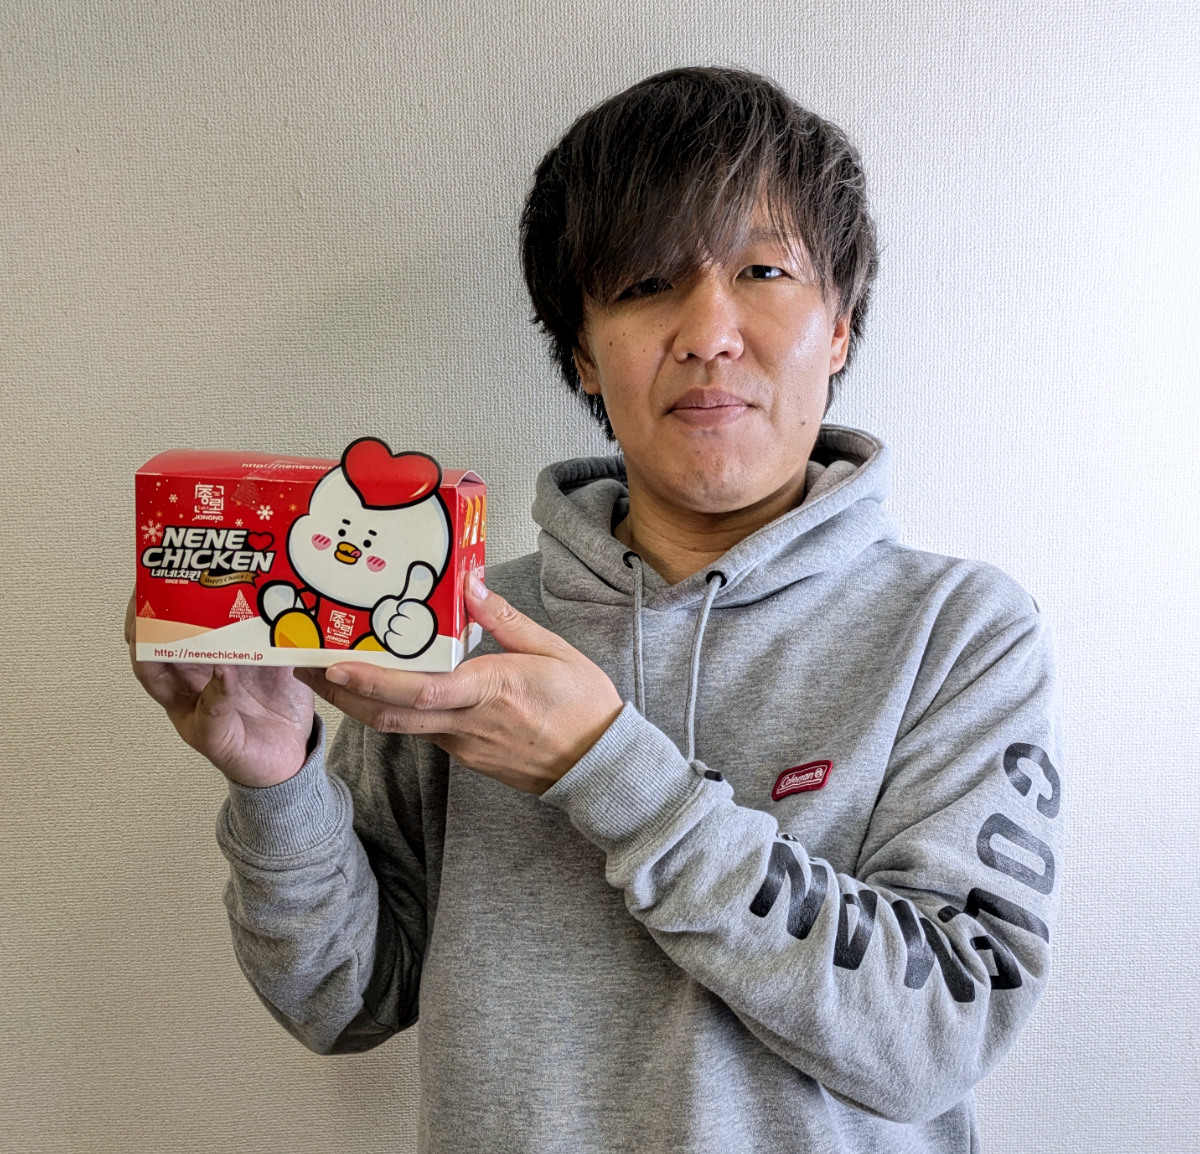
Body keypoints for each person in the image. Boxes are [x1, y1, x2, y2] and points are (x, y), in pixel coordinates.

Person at [128, 67, 1063, 1153]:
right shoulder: (457, 621)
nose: (709, 331)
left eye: (763, 270)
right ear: (581, 350)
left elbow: (941, 1033)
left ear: (841, 326)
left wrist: (608, 768)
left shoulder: (960, 632)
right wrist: (276, 780)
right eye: (647, 283)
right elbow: (344, 998)